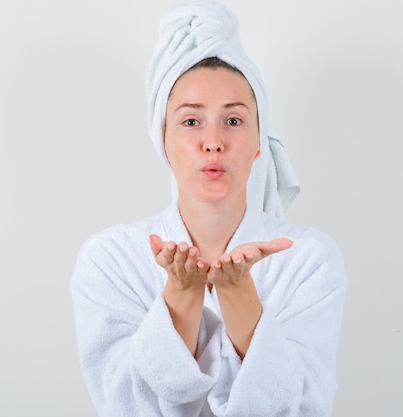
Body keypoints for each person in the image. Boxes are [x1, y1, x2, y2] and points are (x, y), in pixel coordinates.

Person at [71, 1, 347, 416]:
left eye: (233, 121)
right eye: (191, 121)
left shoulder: (307, 258)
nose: (213, 142)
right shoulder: (111, 259)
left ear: (259, 142)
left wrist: (240, 299)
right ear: (162, 139)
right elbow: (123, 406)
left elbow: (306, 406)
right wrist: (180, 298)